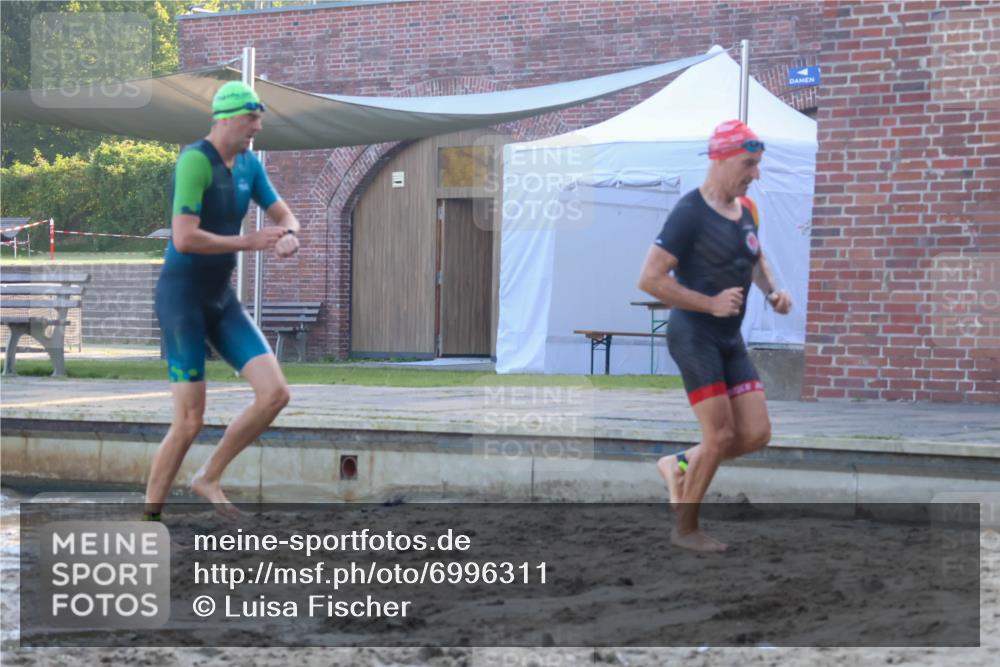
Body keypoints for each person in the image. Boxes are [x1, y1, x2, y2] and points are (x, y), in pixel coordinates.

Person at [144, 81, 301, 520]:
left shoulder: (249, 164)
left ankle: (208, 478)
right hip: (182, 300)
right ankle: (148, 518)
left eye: (259, 119)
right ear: (227, 118)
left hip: (221, 299)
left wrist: (288, 235)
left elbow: (284, 214)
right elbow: (184, 237)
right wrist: (248, 242)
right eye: (252, 118)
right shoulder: (196, 161)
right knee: (189, 421)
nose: (258, 127)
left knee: (275, 394)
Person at [638, 119, 792, 552]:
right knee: (720, 436)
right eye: (748, 164)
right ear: (720, 159)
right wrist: (709, 303)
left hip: (729, 337)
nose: (755, 174)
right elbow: (649, 279)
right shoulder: (689, 213)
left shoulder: (748, 210)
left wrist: (773, 291)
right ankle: (686, 530)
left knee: (756, 433)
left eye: (758, 164)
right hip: (694, 335)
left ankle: (678, 464)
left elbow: (755, 257)